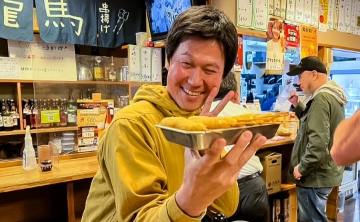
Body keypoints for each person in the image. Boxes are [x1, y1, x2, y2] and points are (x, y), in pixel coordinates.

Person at [81, 6, 267, 222]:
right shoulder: (131, 124)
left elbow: (226, 206)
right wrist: (189, 202)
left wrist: (209, 150)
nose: (195, 81)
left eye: (209, 70)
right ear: (168, 61)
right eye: (187, 63)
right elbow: (138, 217)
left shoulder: (200, 123)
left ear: (222, 76)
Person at [286, 56, 347, 222]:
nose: (298, 82)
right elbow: (314, 126)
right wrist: (298, 106)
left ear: (313, 74)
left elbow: (318, 144)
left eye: (300, 76)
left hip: (314, 176)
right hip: (325, 172)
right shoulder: (331, 95)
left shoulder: (321, 99)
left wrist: (302, 168)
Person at [210, 72, 269, 222]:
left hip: (221, 190)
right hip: (253, 186)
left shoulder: (201, 116)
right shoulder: (246, 113)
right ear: (236, 95)